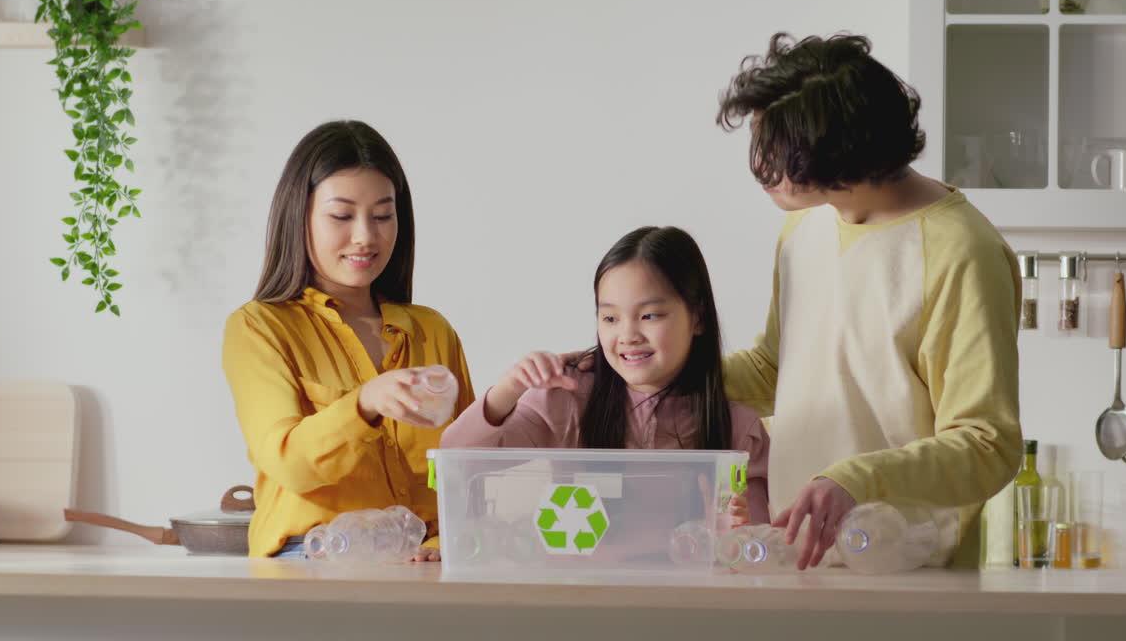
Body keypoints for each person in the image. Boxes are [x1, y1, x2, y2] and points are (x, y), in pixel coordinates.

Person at [715, 32, 1022, 569]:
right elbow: (774, 370)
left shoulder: (960, 250)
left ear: (842, 156)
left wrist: (856, 478)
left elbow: (987, 445)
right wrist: (650, 372)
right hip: (801, 559)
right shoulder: (804, 224)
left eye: (779, 152)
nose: (761, 165)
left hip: (914, 571)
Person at [223, 120, 474, 560]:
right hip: (311, 557)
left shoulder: (431, 330)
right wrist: (364, 404)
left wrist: (445, 539)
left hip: (426, 558)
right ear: (298, 216)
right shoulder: (260, 328)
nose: (366, 236)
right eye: (341, 216)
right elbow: (289, 462)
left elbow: (467, 467)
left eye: (382, 216)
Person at [442, 225, 770, 526]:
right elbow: (456, 463)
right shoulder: (567, 399)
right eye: (610, 318)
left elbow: (757, 551)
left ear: (697, 318)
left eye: (649, 315)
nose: (628, 335)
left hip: (691, 591)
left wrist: (737, 536)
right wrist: (510, 387)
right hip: (582, 589)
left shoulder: (738, 430)